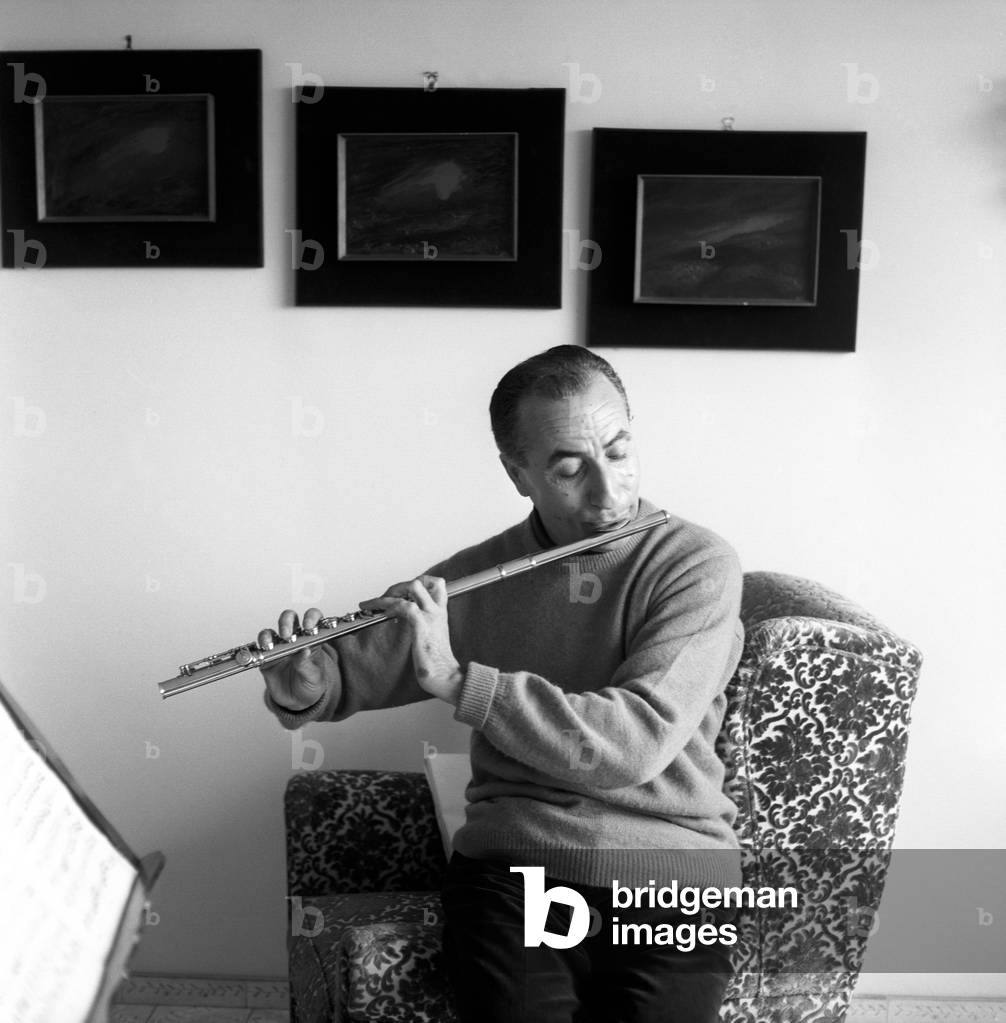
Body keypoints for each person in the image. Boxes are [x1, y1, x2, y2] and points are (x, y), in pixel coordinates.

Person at [260, 345, 745, 1023]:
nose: (609, 491)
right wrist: (304, 677)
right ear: (519, 474)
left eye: (619, 449)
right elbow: (341, 675)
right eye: (571, 468)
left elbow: (633, 743)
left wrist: (461, 682)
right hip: (517, 870)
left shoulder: (696, 565)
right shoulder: (481, 576)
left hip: (675, 875)